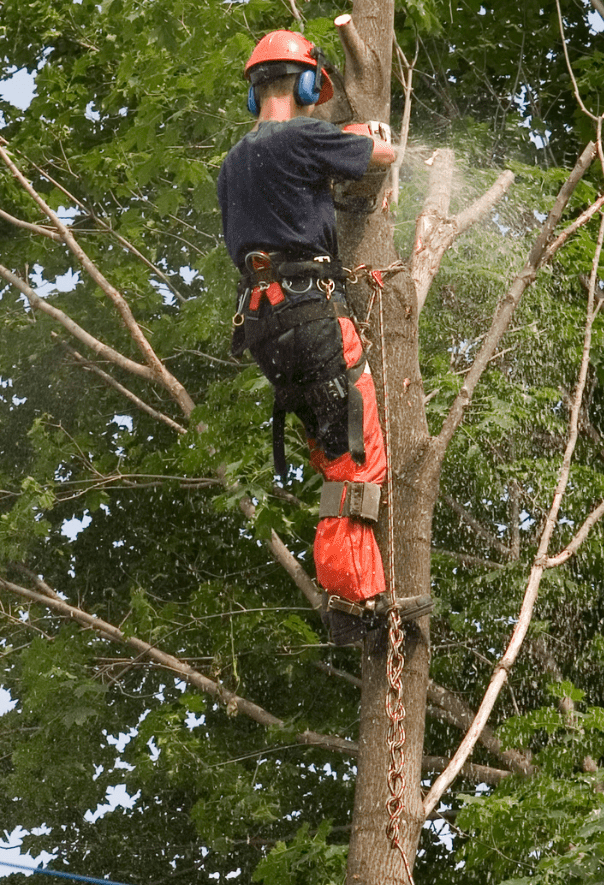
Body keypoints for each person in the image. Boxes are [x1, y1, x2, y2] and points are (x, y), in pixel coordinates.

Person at [218, 30, 424, 645]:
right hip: (309, 312)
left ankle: (349, 593)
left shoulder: (235, 162)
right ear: (308, 85)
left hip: (263, 323)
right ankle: (358, 605)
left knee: (334, 446)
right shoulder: (308, 137)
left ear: (256, 95)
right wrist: (369, 137)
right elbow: (382, 158)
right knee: (357, 456)